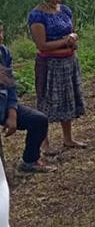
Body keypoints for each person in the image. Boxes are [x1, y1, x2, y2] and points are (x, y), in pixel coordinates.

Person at [27, 0, 86, 155]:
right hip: (49, 64)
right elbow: (42, 44)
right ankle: (44, 142)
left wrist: (72, 42)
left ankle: (68, 138)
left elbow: (72, 32)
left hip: (68, 60)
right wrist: (65, 41)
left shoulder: (65, 10)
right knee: (47, 101)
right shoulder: (37, 15)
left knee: (68, 98)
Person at [0, 23, 55, 173]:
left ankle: (29, 161)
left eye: (1, 31)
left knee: (39, 120)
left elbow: (10, 86)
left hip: (3, 105)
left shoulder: (4, 53)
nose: (0, 37)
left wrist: (12, 113)